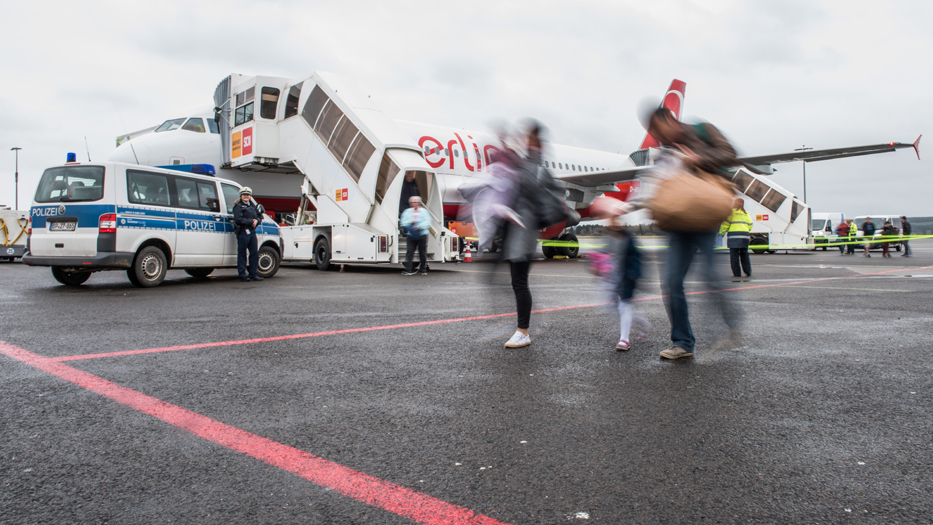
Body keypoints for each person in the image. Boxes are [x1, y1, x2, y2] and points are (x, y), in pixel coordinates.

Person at [628, 106, 745, 360]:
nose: (660, 138)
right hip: (679, 222)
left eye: (660, 131)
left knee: (711, 276)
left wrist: (697, 159)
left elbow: (730, 155)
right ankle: (683, 342)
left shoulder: (702, 131)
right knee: (670, 281)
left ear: (670, 120)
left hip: (704, 213)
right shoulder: (666, 152)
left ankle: (733, 325)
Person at [500, 121, 557, 349]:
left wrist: (531, 221)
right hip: (515, 235)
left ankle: (523, 331)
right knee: (517, 284)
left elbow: (550, 205)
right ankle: (523, 326)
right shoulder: (528, 167)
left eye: (528, 137)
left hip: (522, 237)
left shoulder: (536, 169)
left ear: (536, 143)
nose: (524, 140)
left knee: (520, 284)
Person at [233, 187, 263, 282]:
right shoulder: (238, 206)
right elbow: (238, 219)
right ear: (241, 196)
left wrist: (256, 221)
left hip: (252, 232)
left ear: (250, 196)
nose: (246, 196)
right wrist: (251, 221)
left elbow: (259, 216)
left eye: (248, 195)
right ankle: (242, 274)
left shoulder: (253, 206)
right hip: (243, 231)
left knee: (254, 253)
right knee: (242, 254)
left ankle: (253, 274)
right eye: (244, 195)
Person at [719, 198, 753, 277]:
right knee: (744, 254)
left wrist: (721, 233)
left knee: (734, 255)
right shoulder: (745, 213)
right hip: (745, 236)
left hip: (734, 236)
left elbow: (725, 224)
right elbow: (750, 225)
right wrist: (745, 230)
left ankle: (737, 273)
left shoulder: (731, 212)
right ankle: (748, 271)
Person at [400, 196, 432, 275]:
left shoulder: (424, 211)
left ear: (419, 203)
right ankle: (408, 269)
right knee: (410, 252)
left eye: (414, 202)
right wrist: (411, 222)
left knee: (422, 252)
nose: (413, 204)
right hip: (411, 234)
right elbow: (403, 222)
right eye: (411, 202)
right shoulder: (407, 212)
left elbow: (427, 222)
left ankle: (423, 269)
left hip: (422, 234)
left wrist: (419, 226)